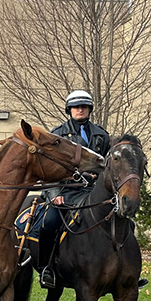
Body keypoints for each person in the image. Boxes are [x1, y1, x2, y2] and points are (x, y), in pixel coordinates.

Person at [36, 90, 111, 289]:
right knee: (49, 224)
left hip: (94, 194)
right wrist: (54, 195)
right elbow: (47, 170)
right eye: (76, 107)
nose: (80, 110)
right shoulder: (57, 134)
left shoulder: (102, 135)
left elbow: (111, 167)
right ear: (69, 110)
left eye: (84, 106)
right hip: (65, 192)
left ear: (89, 109)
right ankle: (47, 268)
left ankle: (123, 271)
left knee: (125, 224)